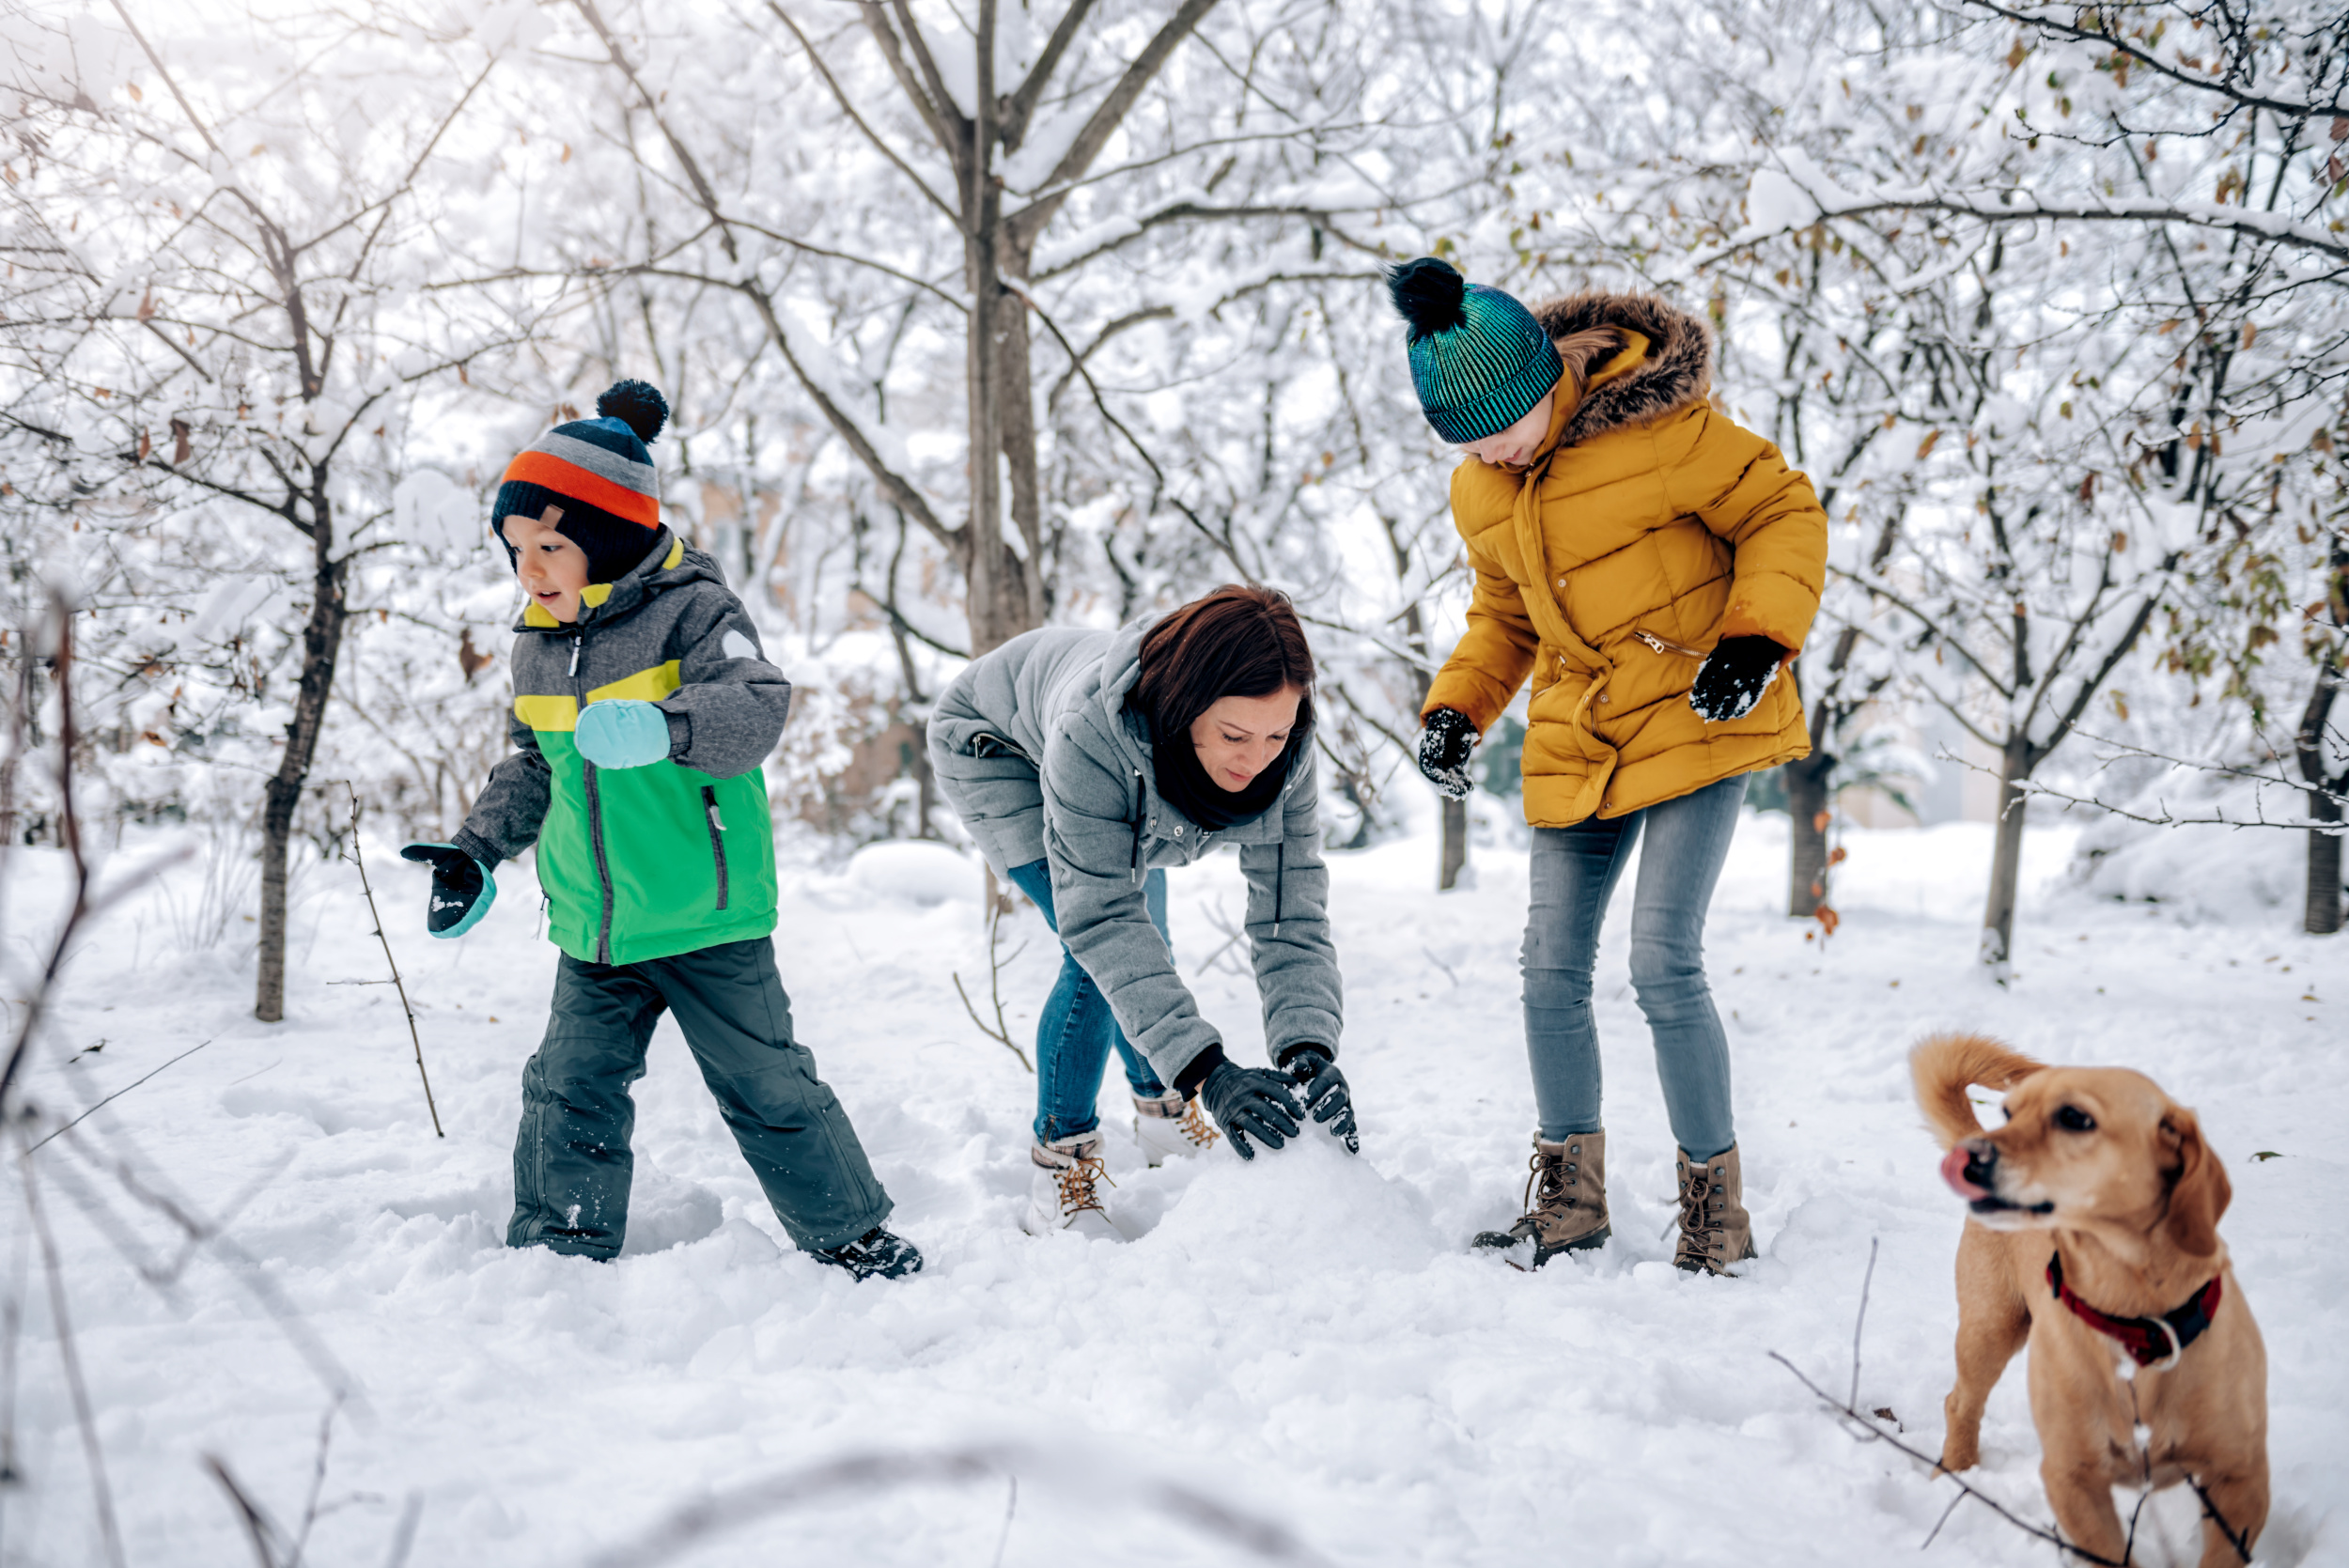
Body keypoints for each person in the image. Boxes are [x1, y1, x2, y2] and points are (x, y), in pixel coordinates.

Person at [400, 380, 921, 1281]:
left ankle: (851, 1235)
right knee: (569, 1086)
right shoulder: (536, 642)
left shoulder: (693, 611)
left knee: (765, 1084)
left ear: (605, 539)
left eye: (552, 545)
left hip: (705, 914)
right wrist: (476, 848)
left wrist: (668, 728)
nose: (530, 566)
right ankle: (560, 1246)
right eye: (517, 546)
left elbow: (759, 705)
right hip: (596, 926)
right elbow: (532, 760)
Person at [1390, 257, 1827, 1277]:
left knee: (1661, 964)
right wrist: (1455, 709)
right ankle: (1569, 1201)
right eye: (1469, 440)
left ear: (1549, 378)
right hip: (1577, 738)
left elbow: (1782, 511)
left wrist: (1756, 640)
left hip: (1694, 715)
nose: (1494, 451)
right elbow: (1502, 617)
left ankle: (1714, 1209)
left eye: (1507, 425)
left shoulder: (1663, 431)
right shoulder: (1481, 487)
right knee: (1548, 971)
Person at [927, 586, 1357, 1239]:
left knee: (1143, 947)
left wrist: (1308, 1047)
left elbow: (1289, 914)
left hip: (1134, 770)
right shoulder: (1095, 736)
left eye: (1276, 732)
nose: (1256, 757)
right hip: (997, 750)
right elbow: (1102, 921)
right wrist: (1209, 1072)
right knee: (1096, 960)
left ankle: (1161, 1111)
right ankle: (1060, 1164)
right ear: (1186, 708)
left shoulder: (1286, 754)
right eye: (1234, 734)